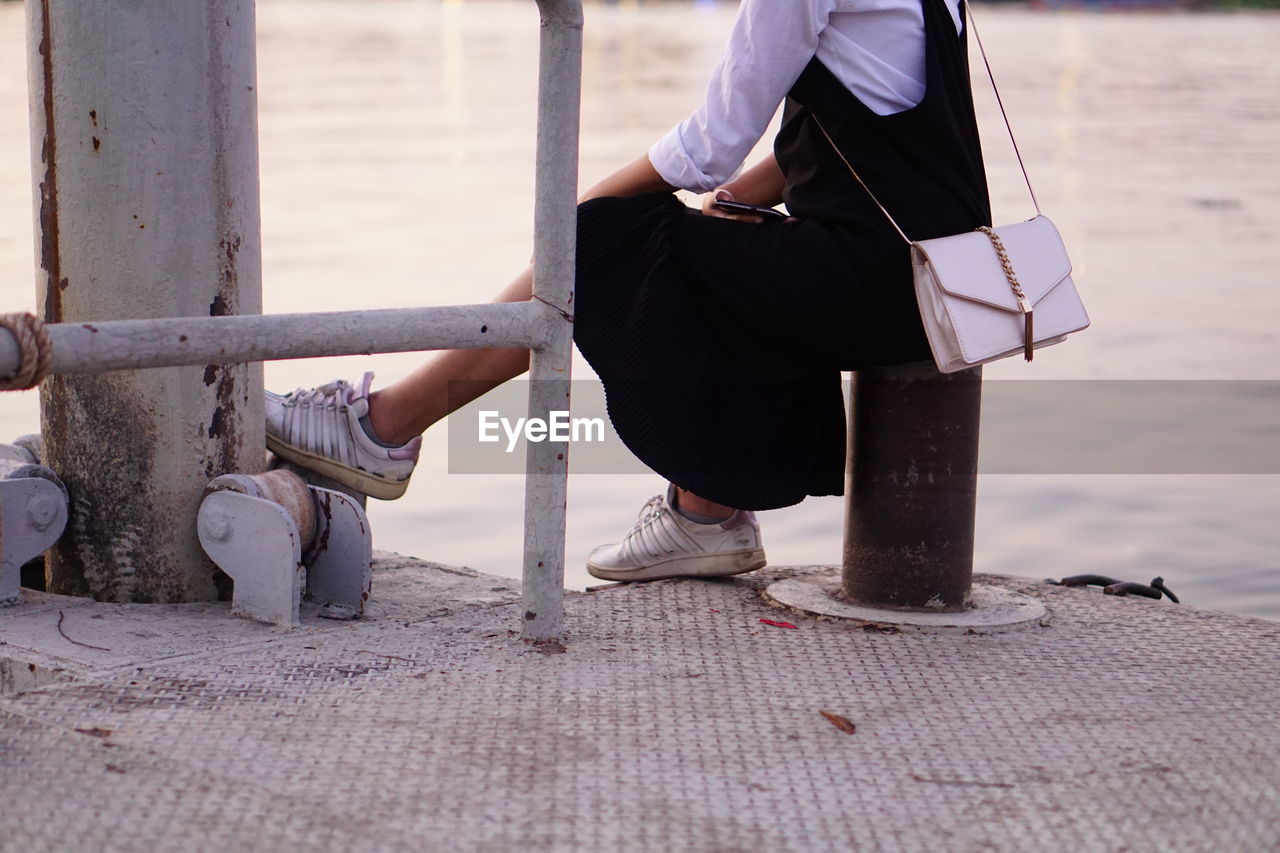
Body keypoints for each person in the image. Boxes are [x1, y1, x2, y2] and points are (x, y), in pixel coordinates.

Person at [266, 0, 991, 583]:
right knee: (721, 238)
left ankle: (382, 429)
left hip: (871, 281)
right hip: (930, 284)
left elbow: (709, 144)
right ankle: (706, 515)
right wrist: (731, 202)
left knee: (606, 240)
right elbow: (852, 138)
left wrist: (579, 223)